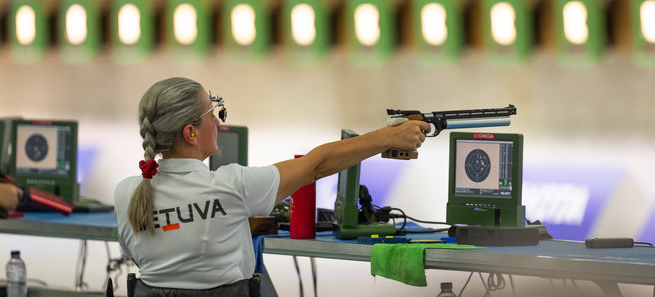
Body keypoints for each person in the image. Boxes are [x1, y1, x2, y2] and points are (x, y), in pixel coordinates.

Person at [114, 77, 430, 296]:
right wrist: (389, 137)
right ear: (190, 133)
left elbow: (146, 260)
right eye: (212, 113)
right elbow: (316, 165)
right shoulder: (231, 186)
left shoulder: (126, 193)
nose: (219, 122)